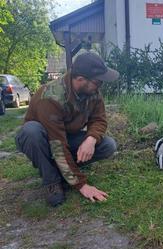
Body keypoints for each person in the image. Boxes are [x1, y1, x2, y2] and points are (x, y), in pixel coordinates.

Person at [15, 52, 119, 206]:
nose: (100, 86)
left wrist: (91, 138)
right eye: (98, 82)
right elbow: (57, 145)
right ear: (80, 79)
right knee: (32, 131)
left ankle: (60, 171)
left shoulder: (93, 92)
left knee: (108, 145)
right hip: (44, 140)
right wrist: (81, 185)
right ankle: (52, 181)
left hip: (66, 137)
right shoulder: (51, 97)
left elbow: (99, 120)